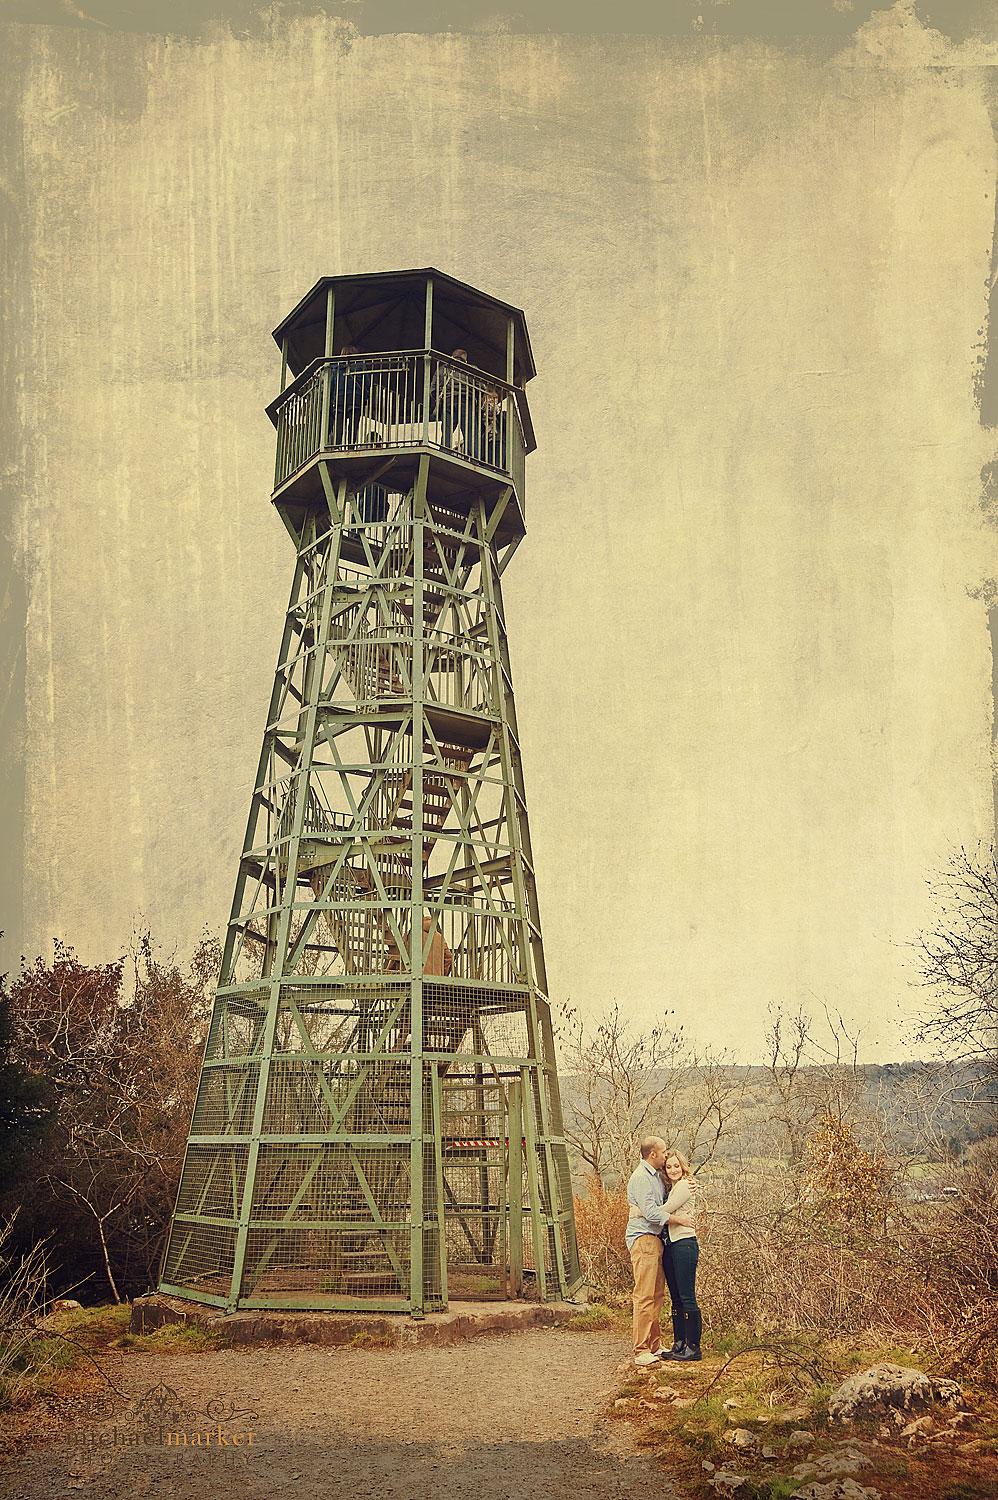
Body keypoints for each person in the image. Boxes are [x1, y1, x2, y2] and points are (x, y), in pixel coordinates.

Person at [625, 1137, 695, 1366]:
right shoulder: (642, 1178)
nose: (666, 1156)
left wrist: (688, 1181)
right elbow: (653, 1213)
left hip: (657, 1239)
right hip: (643, 1238)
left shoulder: (656, 1177)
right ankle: (641, 1349)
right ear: (653, 1154)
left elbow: (666, 1199)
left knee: (657, 1295)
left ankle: (654, 1345)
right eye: (664, 1152)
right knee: (644, 1295)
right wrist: (678, 1219)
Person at [658, 1149, 702, 1361]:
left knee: (687, 1296)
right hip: (671, 1245)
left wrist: (639, 1212)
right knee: (676, 1299)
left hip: (684, 1244)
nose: (673, 1170)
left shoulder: (685, 1185)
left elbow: (663, 1211)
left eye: (677, 1165)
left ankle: (693, 1348)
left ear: (682, 1166)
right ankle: (679, 1343)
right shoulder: (671, 1187)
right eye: (669, 1167)